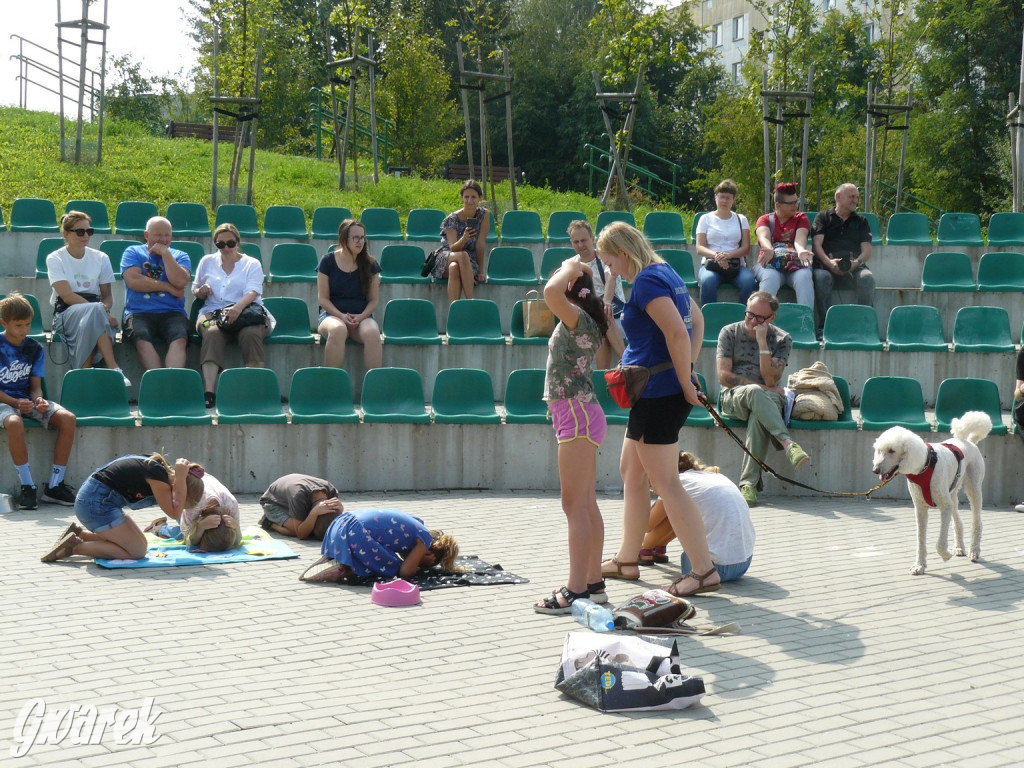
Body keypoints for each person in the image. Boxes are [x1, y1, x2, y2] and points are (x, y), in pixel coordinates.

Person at [596, 222, 721, 598]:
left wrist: (684, 381)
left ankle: (703, 570)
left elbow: (678, 333)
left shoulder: (648, 282)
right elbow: (696, 321)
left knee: (666, 483)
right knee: (631, 472)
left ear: (622, 252)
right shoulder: (665, 271)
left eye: (610, 263)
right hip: (658, 390)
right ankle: (627, 559)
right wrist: (687, 369)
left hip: (659, 393)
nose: (612, 271)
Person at [533, 256, 609, 615]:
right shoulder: (588, 318)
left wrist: (572, 266)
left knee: (574, 505)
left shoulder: (577, 317)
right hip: (578, 412)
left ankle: (576, 588)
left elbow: (550, 291)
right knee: (585, 502)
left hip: (576, 413)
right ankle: (593, 582)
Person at [717, 290, 809, 507]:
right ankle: (787, 444)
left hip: (768, 398)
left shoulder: (782, 338)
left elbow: (771, 379)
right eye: (750, 314)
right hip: (734, 397)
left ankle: (748, 485)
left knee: (759, 416)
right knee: (756, 393)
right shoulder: (729, 332)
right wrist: (758, 387)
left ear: (772, 318)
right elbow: (724, 376)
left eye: (760, 318)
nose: (753, 321)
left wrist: (762, 344)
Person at [41, 454, 205, 563]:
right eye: (182, 500)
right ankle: (73, 548)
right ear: (178, 486)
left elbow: (176, 506)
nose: (180, 503)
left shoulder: (160, 470)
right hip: (94, 505)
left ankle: (80, 535)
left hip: (96, 500)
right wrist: (182, 478)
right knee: (136, 552)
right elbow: (174, 511)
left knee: (141, 542)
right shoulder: (159, 478)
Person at [0, 293, 77, 509]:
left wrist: (39, 400)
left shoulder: (35, 348)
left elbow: (34, 387)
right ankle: (27, 487)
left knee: (68, 418)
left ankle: (54, 486)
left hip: (24, 400)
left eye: (27, 324)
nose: (24, 330)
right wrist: (15, 403)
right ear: (4, 323)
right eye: (18, 325)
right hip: (4, 402)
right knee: (14, 423)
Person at [192, 223, 275, 408]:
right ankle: (209, 391)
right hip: (212, 312)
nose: (226, 248)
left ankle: (253, 390)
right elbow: (194, 288)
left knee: (251, 334)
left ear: (238, 242)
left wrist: (237, 308)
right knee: (211, 332)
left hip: (247, 311)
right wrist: (201, 291)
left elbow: (253, 291)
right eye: (221, 245)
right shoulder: (207, 261)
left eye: (230, 243)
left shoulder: (251, 263)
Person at [640, 452, 755, 582]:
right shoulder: (714, 477)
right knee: (680, 509)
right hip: (743, 565)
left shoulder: (675, 483)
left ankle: (644, 548)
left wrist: (641, 495)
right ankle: (658, 546)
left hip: (712, 569)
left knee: (673, 508)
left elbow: (646, 525)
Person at [46, 211, 130, 386]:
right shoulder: (55, 258)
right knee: (95, 314)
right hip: (65, 312)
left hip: (95, 310)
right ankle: (113, 367)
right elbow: (67, 296)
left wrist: (102, 309)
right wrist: (102, 311)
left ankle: (83, 374)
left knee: (93, 318)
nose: (86, 236)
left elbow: (107, 297)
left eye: (89, 231)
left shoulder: (101, 258)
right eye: (80, 231)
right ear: (66, 233)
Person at [300, 509, 460, 582]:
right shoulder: (423, 539)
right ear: (429, 554)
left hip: (341, 523)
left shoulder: (416, 524)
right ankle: (346, 569)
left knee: (381, 554)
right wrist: (416, 565)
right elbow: (405, 572)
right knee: (392, 567)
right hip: (356, 531)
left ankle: (332, 558)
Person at [121, 216, 192, 371]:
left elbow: (180, 281)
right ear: (147, 235)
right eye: (158, 235)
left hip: (172, 312)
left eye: (167, 235)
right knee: (141, 338)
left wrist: (166, 254)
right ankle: (156, 380)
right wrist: (168, 288)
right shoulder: (132, 252)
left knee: (180, 338)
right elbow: (134, 281)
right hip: (138, 312)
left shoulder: (180, 256)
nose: (163, 239)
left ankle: (171, 378)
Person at [317, 219, 382, 372]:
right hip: (331, 316)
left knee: (373, 332)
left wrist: (360, 317)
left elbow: (374, 301)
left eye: (363, 237)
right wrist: (341, 316)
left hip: (362, 317)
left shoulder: (371, 264)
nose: (360, 242)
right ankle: (332, 385)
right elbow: (323, 298)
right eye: (356, 238)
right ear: (343, 238)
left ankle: (373, 388)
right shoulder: (327, 261)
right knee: (338, 330)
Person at [810, 183, 874, 334]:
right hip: (826, 265)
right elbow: (816, 246)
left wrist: (856, 263)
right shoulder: (823, 217)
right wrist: (829, 263)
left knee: (867, 278)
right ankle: (824, 327)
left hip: (854, 265)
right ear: (838, 197)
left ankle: (863, 326)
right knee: (821, 278)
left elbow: (867, 250)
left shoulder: (862, 221)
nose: (855, 201)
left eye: (857, 197)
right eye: (852, 196)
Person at [567, 219, 626, 369]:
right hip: (590, 316)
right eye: (576, 242)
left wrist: (606, 301)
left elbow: (611, 276)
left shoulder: (605, 257)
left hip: (616, 312)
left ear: (592, 239)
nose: (580, 245)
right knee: (600, 324)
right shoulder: (572, 264)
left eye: (584, 240)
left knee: (603, 320)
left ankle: (625, 364)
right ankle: (624, 365)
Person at [147, 468, 241, 552]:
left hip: (202, 495)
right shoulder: (192, 507)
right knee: (182, 535)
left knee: (194, 534)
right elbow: (188, 539)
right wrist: (201, 527)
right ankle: (160, 528)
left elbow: (238, 539)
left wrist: (236, 527)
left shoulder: (231, 506)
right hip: (185, 498)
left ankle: (162, 527)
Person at [752, 182, 814, 307]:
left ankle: (806, 321)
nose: (796, 205)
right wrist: (768, 248)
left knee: (804, 276)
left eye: (796, 201)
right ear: (778, 205)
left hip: (795, 266)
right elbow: (763, 237)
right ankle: (760, 320)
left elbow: (799, 239)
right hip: (770, 265)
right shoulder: (765, 219)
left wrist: (801, 250)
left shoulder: (801, 218)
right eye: (791, 203)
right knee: (770, 278)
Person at [696, 179, 755, 306]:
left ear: (733, 199)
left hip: (735, 264)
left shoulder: (741, 219)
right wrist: (717, 255)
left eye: (728, 198)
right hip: (711, 263)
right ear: (715, 197)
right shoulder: (705, 219)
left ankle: (745, 318)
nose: (724, 201)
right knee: (708, 281)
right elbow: (700, 247)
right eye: (721, 196)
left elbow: (746, 248)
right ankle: (708, 319)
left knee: (749, 281)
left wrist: (729, 255)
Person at [430, 179, 489, 302]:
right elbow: (453, 247)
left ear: (479, 198)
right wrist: (464, 238)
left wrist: (481, 271)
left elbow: (480, 244)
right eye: (466, 197)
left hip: (469, 260)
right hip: (447, 255)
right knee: (461, 256)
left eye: (473, 197)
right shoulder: (452, 219)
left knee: (454, 268)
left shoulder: (484, 215)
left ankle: (454, 309)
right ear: (462, 198)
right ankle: (470, 301)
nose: (469, 201)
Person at [259, 473, 343, 540]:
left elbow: (331, 517)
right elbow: (301, 534)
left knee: (307, 527)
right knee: (295, 531)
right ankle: (268, 522)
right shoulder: (299, 496)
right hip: (272, 502)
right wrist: (314, 513)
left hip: (292, 492)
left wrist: (341, 510)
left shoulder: (331, 491)